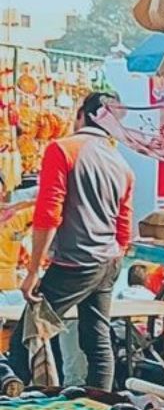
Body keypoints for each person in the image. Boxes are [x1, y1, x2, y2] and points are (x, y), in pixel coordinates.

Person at [11, 92, 134, 391]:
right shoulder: (121, 164)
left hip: (75, 263)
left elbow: (49, 213)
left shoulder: (63, 149)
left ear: (83, 114)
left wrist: (32, 272)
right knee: (97, 340)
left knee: (27, 337)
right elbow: (125, 228)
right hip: (107, 262)